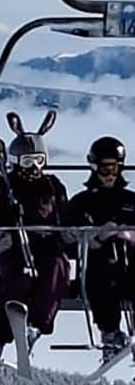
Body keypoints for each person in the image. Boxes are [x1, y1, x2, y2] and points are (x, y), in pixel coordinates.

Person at [0, 110, 70, 363]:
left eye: (39, 160)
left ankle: (36, 326)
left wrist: (64, 236)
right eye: (27, 162)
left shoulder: (53, 188)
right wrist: (0, 233)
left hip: (46, 245)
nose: (34, 168)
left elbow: (66, 219)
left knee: (57, 268)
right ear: (16, 162)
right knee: (19, 279)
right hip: (11, 247)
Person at [66, 135, 135, 357]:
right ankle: (110, 332)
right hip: (97, 271)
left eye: (115, 170)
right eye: (105, 170)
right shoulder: (82, 202)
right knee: (105, 273)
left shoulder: (131, 201)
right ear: (95, 168)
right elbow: (68, 240)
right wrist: (98, 238)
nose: (110, 176)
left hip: (129, 269)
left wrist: (128, 235)